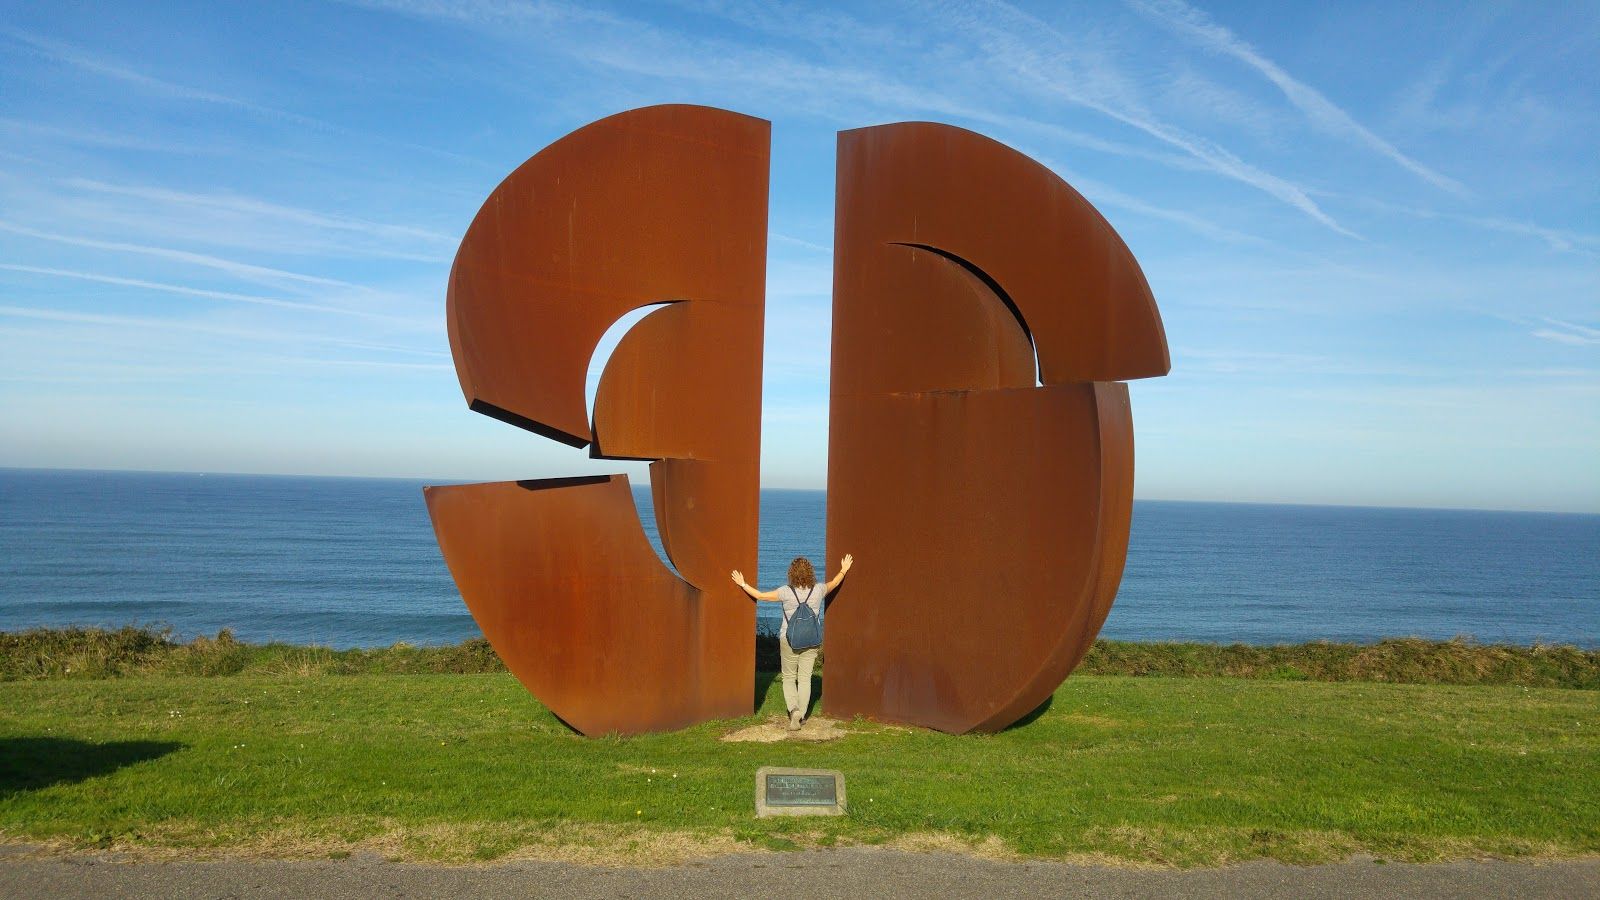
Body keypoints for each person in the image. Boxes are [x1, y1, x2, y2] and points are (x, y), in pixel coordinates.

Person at [731, 554, 854, 730]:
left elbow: (761, 596)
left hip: (788, 640)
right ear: (811, 573)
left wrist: (743, 584)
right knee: (805, 679)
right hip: (811, 640)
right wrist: (844, 569)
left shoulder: (785, 591)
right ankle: (802, 715)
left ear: (792, 574)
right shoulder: (818, 590)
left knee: (789, 677)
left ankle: (793, 710)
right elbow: (834, 583)